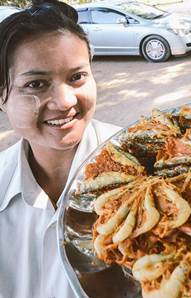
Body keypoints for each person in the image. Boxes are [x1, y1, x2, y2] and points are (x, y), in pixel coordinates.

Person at [0, 1, 121, 297]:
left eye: (77, 77)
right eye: (37, 84)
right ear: (2, 95)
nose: (65, 101)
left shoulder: (149, 170)